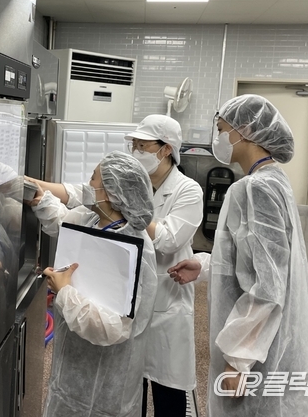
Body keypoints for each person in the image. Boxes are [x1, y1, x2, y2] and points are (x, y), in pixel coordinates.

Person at [168, 94, 308, 416]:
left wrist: (237, 359)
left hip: (256, 350)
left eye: (222, 129)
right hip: (265, 340)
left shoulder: (255, 188)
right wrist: (204, 265)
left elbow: (268, 285)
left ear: (245, 130)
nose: (219, 137)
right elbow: (254, 260)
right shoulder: (273, 180)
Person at [30, 151, 159, 417]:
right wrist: (41, 200)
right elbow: (64, 222)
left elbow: (111, 329)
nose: (88, 185)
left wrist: (64, 291)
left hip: (106, 383)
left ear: (111, 193)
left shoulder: (131, 248)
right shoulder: (93, 220)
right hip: (72, 363)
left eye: (93, 178)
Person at [124, 115, 203, 417]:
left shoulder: (188, 190)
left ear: (166, 149)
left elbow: (168, 240)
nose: (136, 152)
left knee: (168, 392)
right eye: (134, 145)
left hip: (168, 301)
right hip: (133, 296)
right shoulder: (136, 184)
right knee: (131, 387)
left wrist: (132, 210)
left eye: (142, 146)